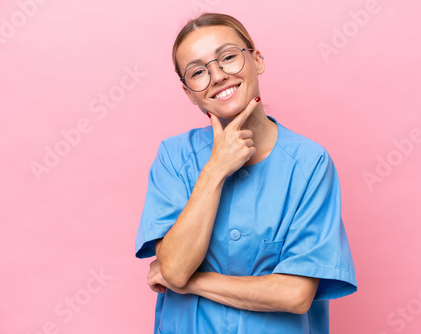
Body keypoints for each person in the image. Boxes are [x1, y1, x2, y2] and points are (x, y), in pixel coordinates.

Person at [134, 12, 357, 334]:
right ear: (188, 93)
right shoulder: (174, 156)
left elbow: (295, 295)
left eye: (227, 57)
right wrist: (215, 169)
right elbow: (174, 269)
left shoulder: (310, 163)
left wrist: (195, 283)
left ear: (257, 60)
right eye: (198, 72)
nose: (218, 75)